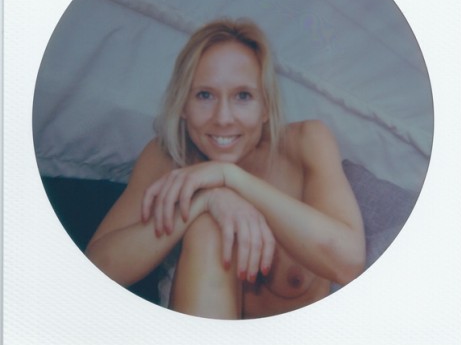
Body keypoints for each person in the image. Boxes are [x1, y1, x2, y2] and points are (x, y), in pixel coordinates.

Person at [86, 18, 365, 319]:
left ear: (265, 107)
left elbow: (348, 264)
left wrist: (230, 178)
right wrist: (204, 201)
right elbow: (97, 269)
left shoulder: (306, 143)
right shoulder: (166, 156)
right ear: (183, 104)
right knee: (210, 226)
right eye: (204, 95)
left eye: (243, 96)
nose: (223, 118)